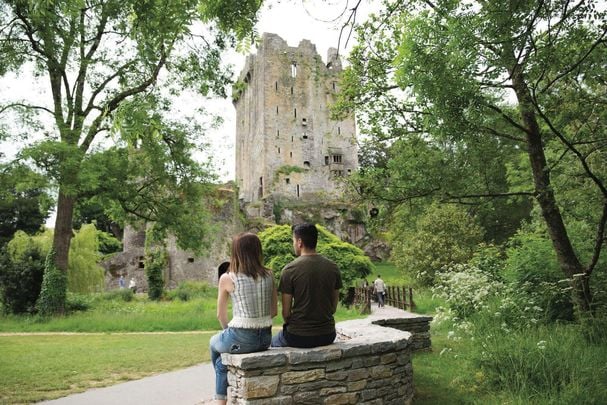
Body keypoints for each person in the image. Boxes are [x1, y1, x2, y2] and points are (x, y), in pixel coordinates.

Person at [209, 233, 277, 404]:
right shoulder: (269, 274)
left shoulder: (228, 277)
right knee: (221, 363)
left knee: (213, 343)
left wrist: (227, 332)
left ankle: (220, 400)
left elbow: (220, 314)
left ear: (236, 252)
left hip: (241, 336)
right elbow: (274, 311)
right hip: (265, 338)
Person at [271, 223, 342, 348]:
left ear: (299, 242)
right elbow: (333, 308)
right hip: (328, 334)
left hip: (298, 336)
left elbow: (286, 314)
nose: (293, 244)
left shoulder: (289, 270)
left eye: (293, 240)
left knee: (270, 344)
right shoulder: (333, 267)